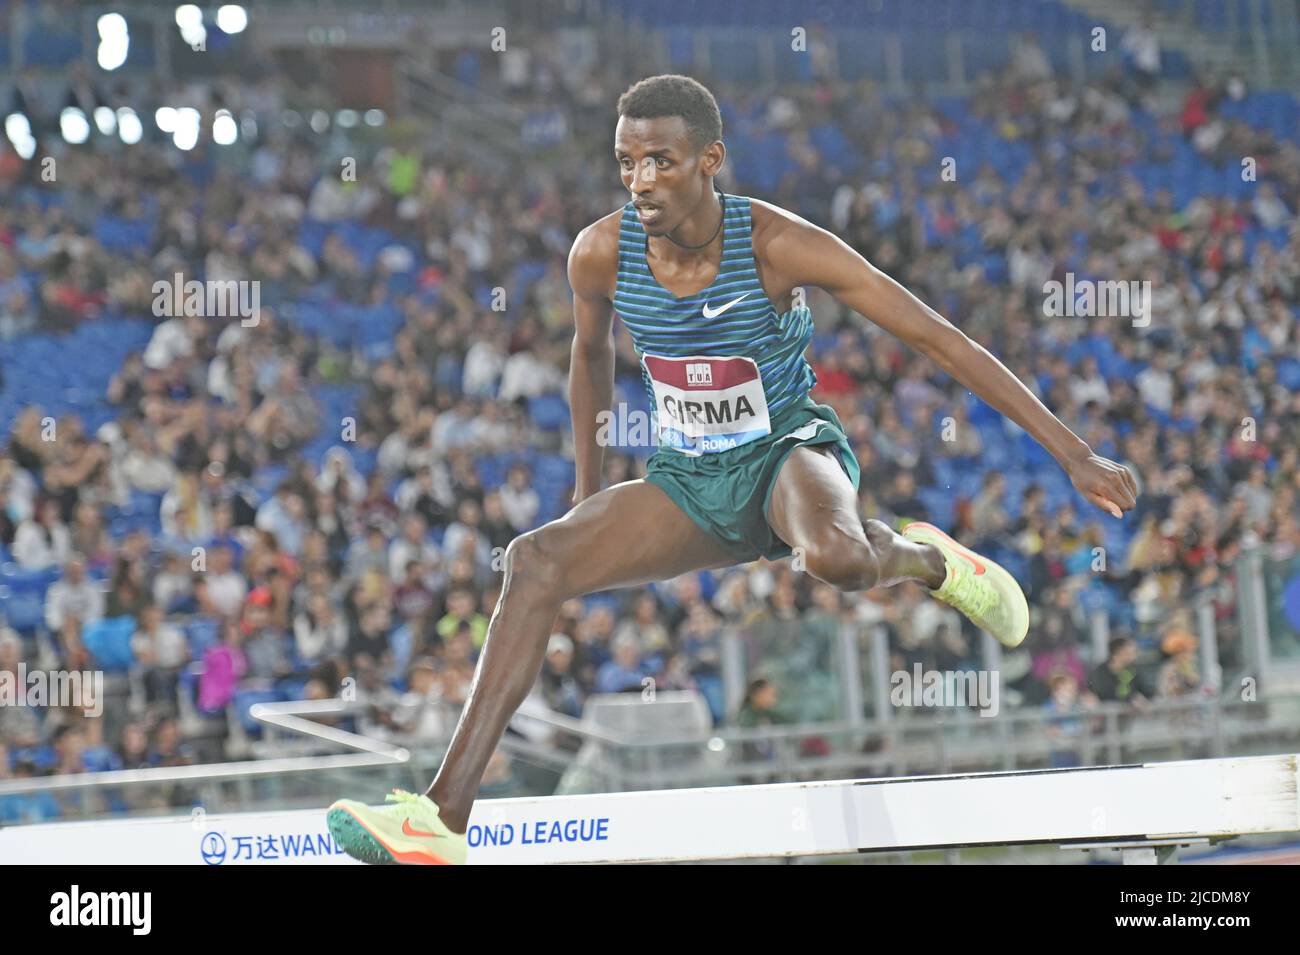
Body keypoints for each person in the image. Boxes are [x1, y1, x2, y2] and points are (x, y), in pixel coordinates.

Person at [328, 74, 1137, 865]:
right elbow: (587, 357)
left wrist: (1072, 451)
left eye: (661, 162)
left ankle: (930, 559)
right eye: (627, 164)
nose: (640, 181)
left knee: (840, 558)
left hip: (790, 448)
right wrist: (584, 496)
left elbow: (935, 336)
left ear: (710, 159)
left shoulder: (780, 245)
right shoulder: (600, 254)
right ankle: (440, 818)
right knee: (534, 559)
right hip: (688, 478)